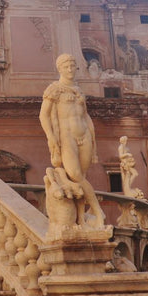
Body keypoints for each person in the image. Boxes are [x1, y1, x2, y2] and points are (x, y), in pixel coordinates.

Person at [39, 54, 106, 229]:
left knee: (78, 180)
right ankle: (97, 210)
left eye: (72, 66)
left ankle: (80, 218)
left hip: (84, 136)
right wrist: (51, 137)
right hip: (66, 137)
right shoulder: (54, 89)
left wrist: (93, 138)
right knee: (75, 174)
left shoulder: (78, 89)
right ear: (59, 69)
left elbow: (86, 116)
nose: (69, 70)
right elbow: (43, 115)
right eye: (66, 67)